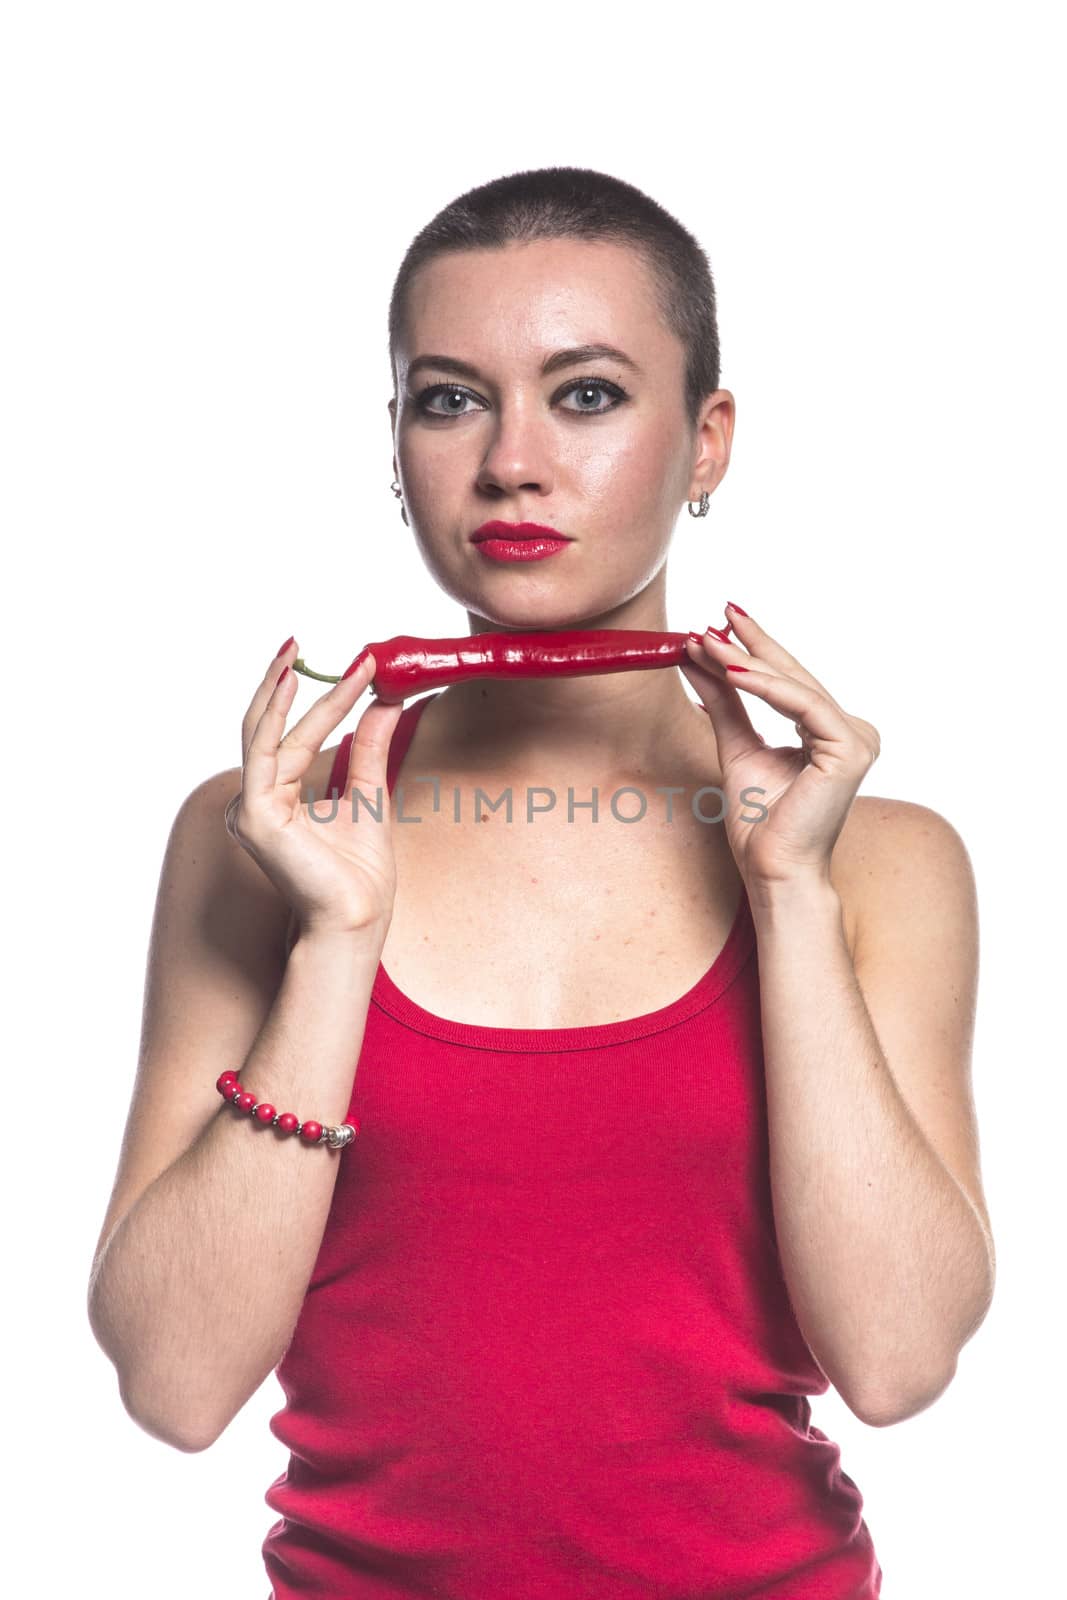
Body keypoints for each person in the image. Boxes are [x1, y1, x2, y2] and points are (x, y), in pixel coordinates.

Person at [87, 166, 995, 1598]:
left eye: (585, 395)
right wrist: (337, 940)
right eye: (450, 399)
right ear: (396, 445)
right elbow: (177, 1385)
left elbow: (894, 1361)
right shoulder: (259, 839)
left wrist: (792, 902)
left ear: (707, 443)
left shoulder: (882, 861)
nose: (512, 460)